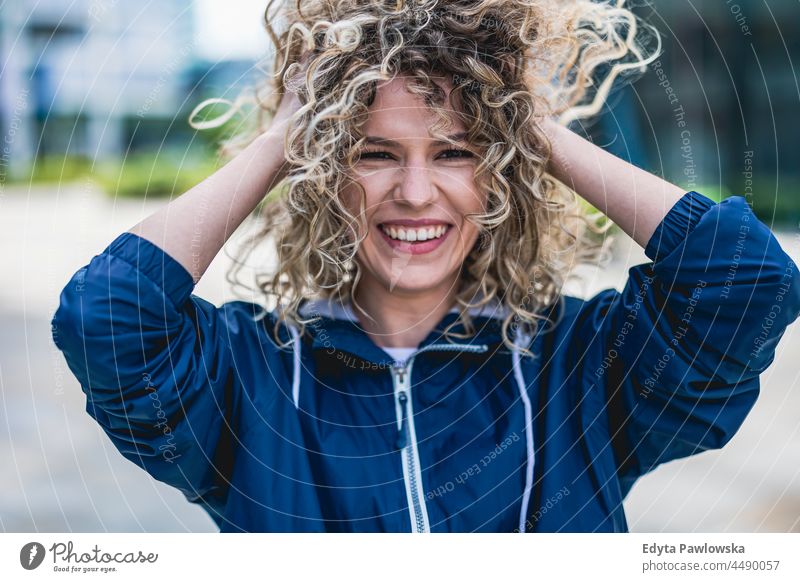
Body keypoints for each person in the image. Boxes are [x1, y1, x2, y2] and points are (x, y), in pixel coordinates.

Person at [51, 0, 799, 532]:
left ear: (504, 172)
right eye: (374, 153)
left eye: (455, 153)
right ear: (325, 174)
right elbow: (107, 317)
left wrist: (527, 123)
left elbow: (746, 281)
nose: (414, 193)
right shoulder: (249, 378)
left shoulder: (579, 367)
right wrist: (287, 133)